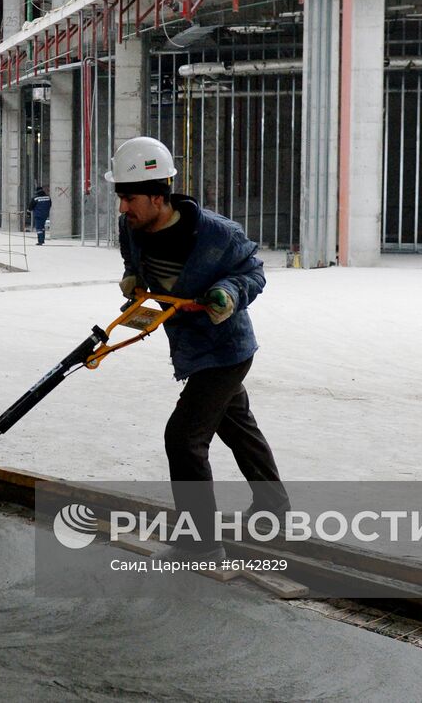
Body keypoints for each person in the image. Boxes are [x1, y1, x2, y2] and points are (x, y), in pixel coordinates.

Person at [108, 136, 288, 561]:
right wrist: (135, 281)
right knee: (236, 424)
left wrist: (226, 293)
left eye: (129, 198)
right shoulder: (131, 227)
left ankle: (200, 540)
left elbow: (253, 273)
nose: (122, 208)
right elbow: (134, 262)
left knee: (183, 438)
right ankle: (274, 506)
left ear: (158, 195)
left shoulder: (216, 233)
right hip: (188, 344)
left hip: (226, 349)